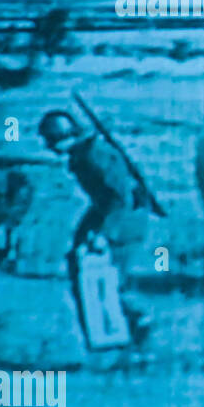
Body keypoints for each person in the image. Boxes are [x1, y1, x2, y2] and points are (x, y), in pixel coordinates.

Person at [39, 109, 152, 344]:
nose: (47, 146)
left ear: (63, 136)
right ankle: (106, 335)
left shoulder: (95, 155)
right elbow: (104, 200)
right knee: (79, 266)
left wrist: (103, 233)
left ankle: (136, 327)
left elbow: (121, 197)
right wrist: (87, 231)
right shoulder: (81, 154)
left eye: (50, 140)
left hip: (126, 219)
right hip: (107, 213)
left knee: (113, 280)